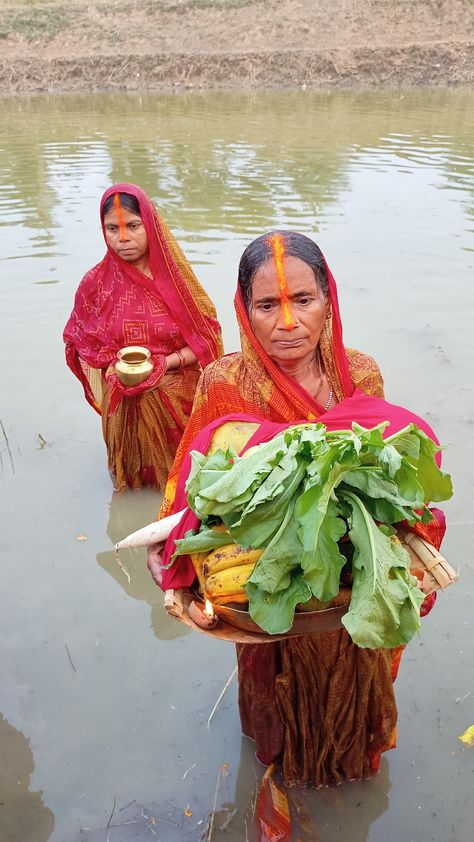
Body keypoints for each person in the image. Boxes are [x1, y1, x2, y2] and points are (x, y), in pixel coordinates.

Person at [147, 230, 445, 787]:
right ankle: (283, 770)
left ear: (328, 300)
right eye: (267, 305)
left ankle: (348, 770)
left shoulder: (360, 374)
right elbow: (190, 486)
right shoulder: (223, 381)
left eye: (302, 300)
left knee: (350, 686)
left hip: (348, 580)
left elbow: (395, 477)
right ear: (244, 309)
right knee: (275, 694)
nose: (288, 322)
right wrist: (176, 566)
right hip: (263, 582)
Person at [63, 183, 223, 491]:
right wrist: (108, 364)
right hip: (123, 405)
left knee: (182, 484)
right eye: (112, 228)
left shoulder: (178, 282)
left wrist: (166, 364)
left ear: (150, 224)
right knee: (131, 484)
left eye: (133, 226)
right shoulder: (95, 283)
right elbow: (79, 338)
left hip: (177, 400)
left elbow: (208, 338)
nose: (123, 238)